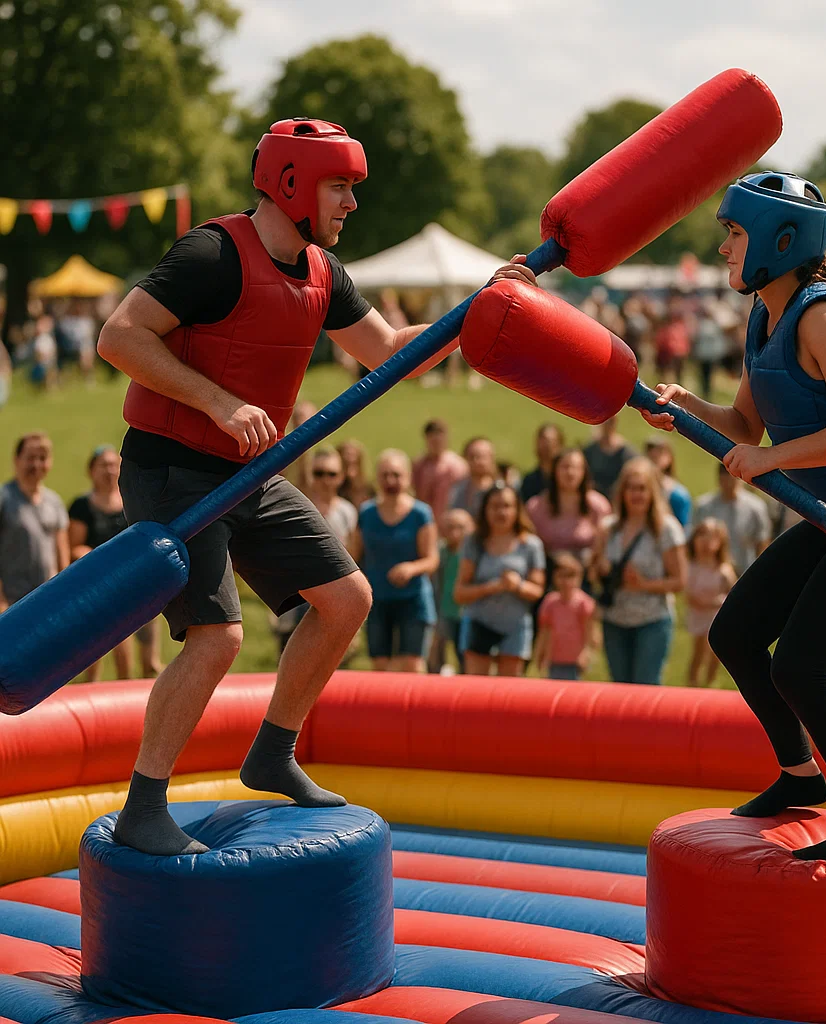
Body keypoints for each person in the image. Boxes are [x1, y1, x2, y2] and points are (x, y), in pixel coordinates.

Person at [96, 116, 536, 856]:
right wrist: (217, 401)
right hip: (173, 467)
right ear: (292, 182)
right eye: (341, 186)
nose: (351, 205)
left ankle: (272, 752)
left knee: (345, 599)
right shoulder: (211, 254)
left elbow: (389, 353)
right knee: (218, 638)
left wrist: (477, 308)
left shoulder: (324, 272)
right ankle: (145, 805)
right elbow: (119, 336)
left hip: (251, 473)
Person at [644, 172, 826, 861]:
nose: (722, 248)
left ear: (781, 241)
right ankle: (800, 776)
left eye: (734, 233)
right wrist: (685, 405)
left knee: (801, 668)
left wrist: (771, 460)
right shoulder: (763, 314)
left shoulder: (823, 316)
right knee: (737, 633)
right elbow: (745, 422)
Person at [69, 445, 163, 681]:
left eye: (114, 465)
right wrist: (96, 558)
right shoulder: (82, 506)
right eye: (103, 465)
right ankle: (93, 689)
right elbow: (74, 546)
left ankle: (142, 676)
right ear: (91, 471)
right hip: (96, 582)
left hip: (132, 580)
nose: (109, 470)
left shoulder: (133, 502)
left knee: (141, 638)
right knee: (101, 642)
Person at [591, 457, 686, 686]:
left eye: (642, 489)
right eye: (631, 488)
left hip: (652, 620)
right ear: (622, 492)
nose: (636, 495)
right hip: (614, 619)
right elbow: (593, 575)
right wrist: (601, 569)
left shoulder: (666, 529)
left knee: (646, 687)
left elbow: (679, 581)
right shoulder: (608, 528)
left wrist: (642, 584)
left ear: (652, 492)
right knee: (620, 688)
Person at [350, 450, 439, 673]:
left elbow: (431, 559)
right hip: (377, 598)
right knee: (380, 665)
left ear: (407, 477)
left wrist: (411, 568)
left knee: (412, 664)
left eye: (396, 475)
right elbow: (353, 556)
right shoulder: (367, 513)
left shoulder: (421, 514)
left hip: (413, 599)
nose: (391, 481)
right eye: (385, 475)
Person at [270, 448, 360, 656]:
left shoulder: (348, 512)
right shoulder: (298, 504)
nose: (325, 480)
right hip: (298, 590)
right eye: (319, 473)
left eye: (331, 474)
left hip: (332, 591)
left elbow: (352, 556)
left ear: (341, 477)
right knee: (290, 650)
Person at [453, 483, 545, 677]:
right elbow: (460, 593)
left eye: (506, 506)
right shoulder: (474, 543)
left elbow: (537, 591)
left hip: (515, 626)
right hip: (479, 623)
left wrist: (517, 585)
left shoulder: (531, 545)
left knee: (509, 694)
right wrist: (490, 588)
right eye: (495, 506)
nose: (501, 512)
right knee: (476, 691)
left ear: (517, 510)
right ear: (485, 509)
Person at [0, 433, 70, 614]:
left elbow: (62, 555)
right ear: (16, 460)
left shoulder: (54, 502)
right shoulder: (4, 499)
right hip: (11, 604)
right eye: (30, 458)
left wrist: (65, 594)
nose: (37, 464)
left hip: (48, 601)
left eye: (42, 458)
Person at [525, 448, 611, 580]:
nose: (570, 473)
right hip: (549, 576)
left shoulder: (598, 506)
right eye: (565, 467)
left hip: (587, 577)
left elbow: (607, 546)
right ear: (554, 471)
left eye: (576, 468)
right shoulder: (536, 507)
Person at [692, 462, 770, 575]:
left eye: (732, 477)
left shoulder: (756, 507)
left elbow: (762, 542)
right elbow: (695, 542)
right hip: (713, 575)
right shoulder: (704, 507)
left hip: (745, 572)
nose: (728, 482)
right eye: (724, 477)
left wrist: (759, 572)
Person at [684, 518, 735, 688]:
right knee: (699, 651)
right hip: (699, 615)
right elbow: (690, 596)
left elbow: (733, 593)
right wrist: (709, 603)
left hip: (716, 616)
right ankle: (693, 682)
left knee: (715, 653)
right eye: (702, 536)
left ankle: (710, 682)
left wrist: (718, 604)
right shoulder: (691, 567)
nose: (706, 542)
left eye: (712, 537)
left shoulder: (723, 570)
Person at [534, 552, 598, 681]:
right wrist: (540, 653)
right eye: (562, 576)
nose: (566, 581)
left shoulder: (584, 603)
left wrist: (585, 653)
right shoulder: (550, 602)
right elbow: (545, 631)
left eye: (571, 576)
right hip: (554, 659)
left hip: (575, 660)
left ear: (579, 578)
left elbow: (589, 632)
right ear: (554, 577)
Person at [428, 507, 475, 673]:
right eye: (450, 527)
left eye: (460, 527)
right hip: (444, 610)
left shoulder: (474, 554)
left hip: (467, 612)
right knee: (436, 656)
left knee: (465, 656)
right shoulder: (440, 552)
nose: (455, 533)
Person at [412, 418, 468, 522]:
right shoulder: (419, 465)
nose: (436, 444)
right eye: (433, 441)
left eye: (439, 440)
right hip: (424, 519)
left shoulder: (457, 466)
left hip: (448, 521)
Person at [583, 415, 637, 499]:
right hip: (595, 500)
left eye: (611, 421)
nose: (608, 424)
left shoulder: (627, 453)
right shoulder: (589, 451)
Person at [644, 437, 691, 528]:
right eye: (651, 455)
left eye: (659, 455)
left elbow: (683, 527)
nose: (654, 459)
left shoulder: (677, 494)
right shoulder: (636, 487)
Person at [448, 437, 497, 520]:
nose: (477, 461)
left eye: (482, 456)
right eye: (472, 457)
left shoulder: (501, 492)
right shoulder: (457, 490)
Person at [519, 423, 564, 504]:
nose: (548, 445)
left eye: (552, 441)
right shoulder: (529, 481)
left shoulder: (567, 479)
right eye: (544, 441)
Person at [336, 439, 376, 508]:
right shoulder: (334, 490)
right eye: (346, 464)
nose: (350, 471)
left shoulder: (371, 490)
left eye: (355, 464)